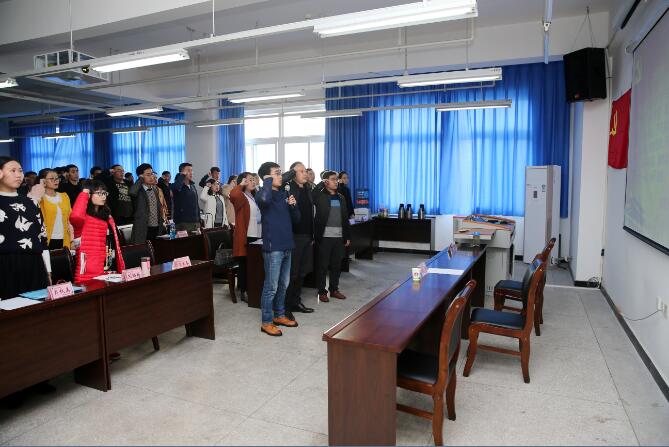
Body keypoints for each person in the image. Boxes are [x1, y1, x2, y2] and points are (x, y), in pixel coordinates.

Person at [255, 161, 300, 336]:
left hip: (287, 245)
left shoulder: (283, 194)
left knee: (283, 284)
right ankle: (266, 322)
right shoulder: (262, 194)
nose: (281, 176)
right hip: (273, 247)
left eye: (281, 173)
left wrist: (293, 206)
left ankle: (279, 315)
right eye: (277, 173)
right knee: (271, 287)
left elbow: (296, 219)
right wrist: (266, 180)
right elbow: (265, 200)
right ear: (267, 177)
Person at [0, 156, 52, 300]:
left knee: (38, 307)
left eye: (20, 170)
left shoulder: (31, 202)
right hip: (5, 266)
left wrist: (48, 270)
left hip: (34, 264)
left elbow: (42, 237)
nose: (18, 175)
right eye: (12, 171)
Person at [69, 180, 125, 283]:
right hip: (88, 273)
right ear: (89, 194)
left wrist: (121, 267)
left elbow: (116, 245)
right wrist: (85, 192)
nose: (103, 196)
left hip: (109, 269)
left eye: (104, 193)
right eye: (99, 193)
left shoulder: (107, 217)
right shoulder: (83, 218)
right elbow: (75, 216)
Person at [313, 170, 350, 302]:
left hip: (339, 237)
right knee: (322, 266)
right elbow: (312, 194)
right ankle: (321, 291)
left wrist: (347, 236)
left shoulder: (341, 197)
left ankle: (334, 289)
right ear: (326, 181)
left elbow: (345, 218)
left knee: (336, 265)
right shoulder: (319, 196)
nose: (336, 181)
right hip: (324, 237)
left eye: (336, 179)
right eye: (333, 179)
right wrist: (320, 183)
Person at [284, 162, 315, 319]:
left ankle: (296, 302)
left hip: (307, 236)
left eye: (305, 171)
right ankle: (286, 306)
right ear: (293, 174)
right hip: (294, 236)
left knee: (302, 272)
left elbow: (310, 214)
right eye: (301, 171)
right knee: (292, 273)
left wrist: (312, 235)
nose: (305, 173)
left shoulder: (307, 188)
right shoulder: (288, 188)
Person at [229, 172, 260, 301]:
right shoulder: (241, 196)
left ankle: (252, 288)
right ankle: (244, 290)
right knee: (244, 264)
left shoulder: (254, 196)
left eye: (254, 180)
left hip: (256, 234)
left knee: (253, 265)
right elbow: (233, 195)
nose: (253, 182)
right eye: (249, 180)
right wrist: (241, 184)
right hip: (246, 235)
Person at [38, 168, 74, 249]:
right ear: (43, 181)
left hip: (65, 239)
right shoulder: (39, 198)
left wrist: (72, 240)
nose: (56, 181)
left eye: (57, 178)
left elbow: (69, 220)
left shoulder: (64, 196)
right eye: (52, 178)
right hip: (46, 239)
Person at [129, 163, 164, 243]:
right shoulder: (138, 190)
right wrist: (140, 180)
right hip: (143, 228)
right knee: (143, 250)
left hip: (157, 227)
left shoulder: (155, 189)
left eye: (151, 174)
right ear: (141, 176)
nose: (151, 177)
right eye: (148, 175)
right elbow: (132, 192)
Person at [171, 162, 200, 232]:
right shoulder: (177, 185)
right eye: (188, 170)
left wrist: (199, 219)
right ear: (182, 173)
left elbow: (196, 204)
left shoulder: (192, 186)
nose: (191, 173)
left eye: (191, 170)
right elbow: (176, 188)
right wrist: (182, 176)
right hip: (183, 222)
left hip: (195, 221)